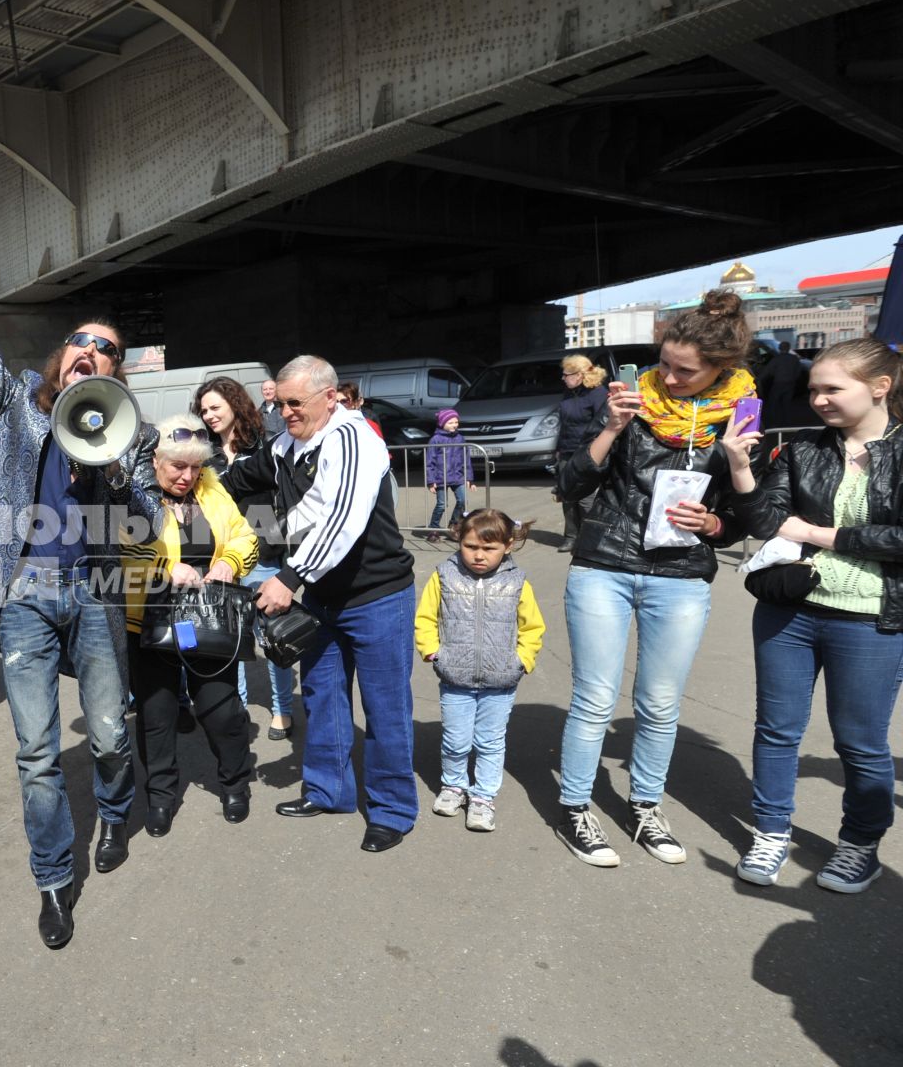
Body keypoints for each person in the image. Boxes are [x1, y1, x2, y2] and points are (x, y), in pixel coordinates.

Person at [0, 197, 160, 950]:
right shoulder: (19, 404)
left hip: (92, 593)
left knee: (111, 734)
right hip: (24, 595)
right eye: (82, 343)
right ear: (63, 358)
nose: (92, 351)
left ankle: (116, 813)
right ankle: (54, 881)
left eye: (108, 348)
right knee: (35, 752)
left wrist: (120, 463)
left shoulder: (133, 435)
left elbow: (151, 522)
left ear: (117, 371)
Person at [551, 290, 757, 868]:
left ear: (722, 368)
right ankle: (575, 806)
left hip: (682, 574)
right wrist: (612, 428)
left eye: (684, 370)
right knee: (593, 698)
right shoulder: (629, 400)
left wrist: (716, 518)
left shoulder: (741, 415)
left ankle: (644, 804)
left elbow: (752, 514)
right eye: (663, 362)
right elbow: (570, 485)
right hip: (605, 566)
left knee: (660, 705)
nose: (667, 377)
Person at [728, 337, 903, 892]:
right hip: (792, 611)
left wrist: (822, 534)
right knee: (777, 731)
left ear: (880, 387)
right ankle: (771, 832)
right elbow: (764, 520)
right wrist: (739, 466)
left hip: (870, 619)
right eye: (814, 390)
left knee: (859, 741)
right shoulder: (804, 449)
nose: (820, 399)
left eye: (833, 388)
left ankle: (859, 845)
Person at [238, 356, 417, 853]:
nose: (287, 412)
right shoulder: (286, 446)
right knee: (322, 698)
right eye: (281, 402)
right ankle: (328, 791)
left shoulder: (354, 439)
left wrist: (290, 576)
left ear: (331, 397)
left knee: (386, 709)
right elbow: (249, 483)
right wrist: (188, 491)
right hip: (322, 599)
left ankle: (391, 810)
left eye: (297, 403)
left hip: (377, 596)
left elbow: (340, 516)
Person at [123, 413, 258, 833]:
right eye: (178, 466)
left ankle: (236, 784)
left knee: (222, 711)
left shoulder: (212, 491)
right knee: (156, 717)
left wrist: (230, 563)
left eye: (196, 467)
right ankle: (160, 798)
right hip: (149, 620)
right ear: (155, 460)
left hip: (210, 617)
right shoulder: (134, 493)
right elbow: (119, 553)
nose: (188, 476)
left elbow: (245, 535)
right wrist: (165, 568)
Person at [414, 510, 545, 833]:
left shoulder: (517, 581)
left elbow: (532, 627)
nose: (479, 555)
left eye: (489, 549)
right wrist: (433, 652)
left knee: (489, 742)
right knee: (456, 740)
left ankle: (483, 797)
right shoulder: (444, 574)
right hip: (455, 676)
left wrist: (522, 660)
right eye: (471, 546)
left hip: (501, 679)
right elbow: (426, 617)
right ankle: (454, 786)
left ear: (508, 546)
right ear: (460, 541)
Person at [195, 376, 296, 740]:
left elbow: (281, 497)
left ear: (235, 404)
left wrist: (280, 546)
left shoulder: (266, 445)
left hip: (265, 552)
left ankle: (282, 710)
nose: (208, 415)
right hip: (221, 558)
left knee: (272, 637)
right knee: (231, 641)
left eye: (215, 407)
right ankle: (235, 707)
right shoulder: (202, 452)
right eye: (203, 410)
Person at [553, 357, 608, 553]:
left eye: (566, 374)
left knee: (586, 499)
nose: (563, 378)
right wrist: (558, 451)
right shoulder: (568, 393)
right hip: (567, 449)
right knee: (567, 496)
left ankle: (589, 537)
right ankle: (570, 537)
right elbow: (564, 424)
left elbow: (603, 425)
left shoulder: (598, 394)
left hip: (587, 452)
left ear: (580, 375)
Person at [425, 409, 470, 530]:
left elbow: (466, 458)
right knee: (442, 505)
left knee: (462, 501)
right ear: (442, 424)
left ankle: (454, 524)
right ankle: (433, 528)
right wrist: (430, 481)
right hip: (441, 478)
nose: (454, 425)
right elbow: (430, 462)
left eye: (456, 422)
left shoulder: (460, 438)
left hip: (457, 476)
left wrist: (469, 477)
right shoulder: (436, 439)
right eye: (450, 423)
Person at [760, 339, 815, 431]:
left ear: (780, 348)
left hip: (778, 383)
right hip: (790, 384)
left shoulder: (776, 359)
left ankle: (774, 423)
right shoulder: (794, 359)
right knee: (786, 403)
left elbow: (767, 372)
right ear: (788, 348)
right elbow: (798, 372)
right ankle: (786, 422)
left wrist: (759, 379)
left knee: (774, 403)